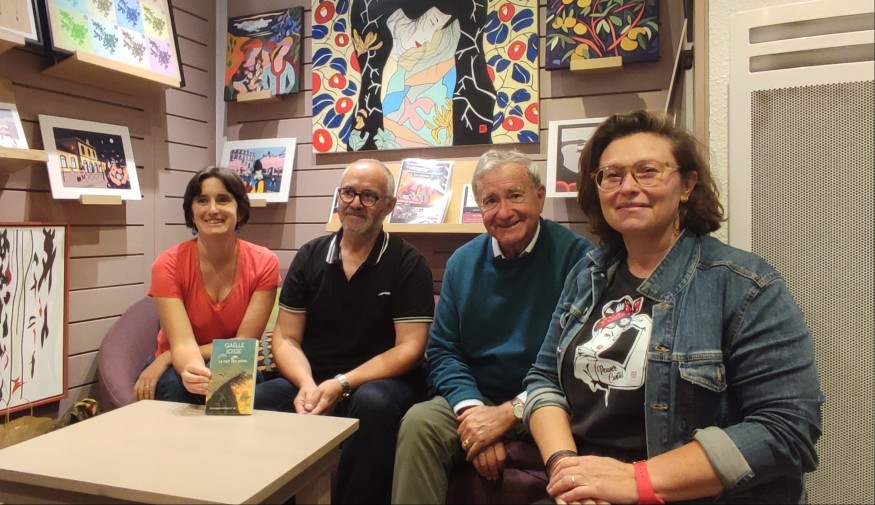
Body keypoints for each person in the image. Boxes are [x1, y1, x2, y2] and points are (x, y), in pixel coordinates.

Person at [523, 110, 824, 504]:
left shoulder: (745, 285)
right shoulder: (587, 274)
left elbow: (787, 430)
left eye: (647, 171)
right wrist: (568, 470)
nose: (628, 187)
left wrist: (635, 480)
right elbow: (544, 380)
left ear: (687, 184)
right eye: (612, 175)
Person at [392, 149, 593, 503]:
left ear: (539, 196)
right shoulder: (462, 262)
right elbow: (443, 350)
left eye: (515, 195)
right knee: (420, 423)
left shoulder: (578, 257)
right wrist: (474, 415)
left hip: (549, 402)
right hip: (477, 396)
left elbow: (580, 359)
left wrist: (508, 414)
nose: (504, 211)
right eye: (491, 201)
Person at [254, 159, 435, 504]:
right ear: (338, 197)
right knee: (259, 400)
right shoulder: (309, 256)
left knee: (372, 403)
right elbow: (286, 337)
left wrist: (343, 383)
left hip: (382, 382)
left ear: (389, 206)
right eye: (348, 192)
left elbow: (410, 348)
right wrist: (306, 384)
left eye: (369, 196)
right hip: (315, 378)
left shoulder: (408, 263)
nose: (355, 203)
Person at [135, 167, 280, 404]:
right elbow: (182, 343)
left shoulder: (265, 262)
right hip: (179, 362)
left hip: (233, 358)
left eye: (223, 199)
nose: (212, 209)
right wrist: (194, 373)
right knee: (178, 388)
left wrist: (168, 357)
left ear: (240, 212)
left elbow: (244, 344)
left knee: (234, 388)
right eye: (202, 200)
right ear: (191, 213)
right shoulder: (167, 264)